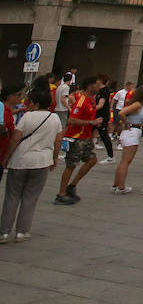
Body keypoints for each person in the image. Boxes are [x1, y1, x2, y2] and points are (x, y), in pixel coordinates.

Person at [1, 84, 62, 243]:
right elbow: (58, 140)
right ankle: (22, 232)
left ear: (35, 103)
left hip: (20, 160)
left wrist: (7, 156)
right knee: (30, 197)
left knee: (11, 196)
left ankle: (4, 232)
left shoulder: (27, 117)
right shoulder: (55, 118)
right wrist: (55, 158)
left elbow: (15, 138)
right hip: (42, 161)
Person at [54, 76, 101, 205]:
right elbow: (71, 120)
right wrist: (91, 122)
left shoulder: (90, 100)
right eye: (97, 85)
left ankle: (72, 186)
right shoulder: (81, 101)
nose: (99, 88)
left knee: (92, 160)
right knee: (71, 165)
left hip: (85, 138)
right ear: (90, 86)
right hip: (76, 138)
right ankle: (61, 194)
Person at [111, 85, 143, 194]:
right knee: (126, 161)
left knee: (124, 161)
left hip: (132, 131)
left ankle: (116, 184)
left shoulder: (140, 105)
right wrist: (126, 123)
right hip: (132, 130)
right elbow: (122, 113)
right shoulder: (137, 104)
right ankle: (121, 186)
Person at [0, 87, 19, 184]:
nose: (20, 98)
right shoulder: (3, 109)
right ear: (10, 96)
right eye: (18, 95)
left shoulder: (6, 109)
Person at [94, 74, 115, 163]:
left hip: (102, 116)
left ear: (101, 80)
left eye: (97, 80)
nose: (96, 81)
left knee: (104, 136)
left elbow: (101, 104)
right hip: (97, 115)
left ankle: (111, 156)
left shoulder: (104, 90)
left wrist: (90, 109)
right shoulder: (99, 90)